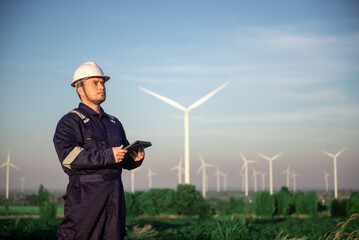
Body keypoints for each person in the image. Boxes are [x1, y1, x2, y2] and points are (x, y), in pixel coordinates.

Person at [53, 61, 145, 240]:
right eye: (94, 83)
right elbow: (69, 157)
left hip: (115, 195)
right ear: (80, 89)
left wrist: (135, 159)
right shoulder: (70, 122)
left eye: (102, 83)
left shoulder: (114, 122)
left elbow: (122, 159)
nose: (101, 87)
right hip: (85, 197)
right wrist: (109, 155)